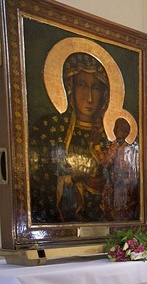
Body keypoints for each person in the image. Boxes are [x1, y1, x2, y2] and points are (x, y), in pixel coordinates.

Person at [29, 52, 112, 223]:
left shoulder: (108, 137)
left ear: (103, 94)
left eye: (96, 88)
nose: (89, 98)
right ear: (70, 87)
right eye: (82, 85)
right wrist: (71, 182)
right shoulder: (50, 127)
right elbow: (37, 179)